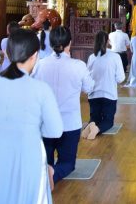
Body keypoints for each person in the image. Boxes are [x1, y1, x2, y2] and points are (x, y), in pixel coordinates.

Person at [0, 28, 63, 203]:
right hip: (27, 155)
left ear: (7, 52)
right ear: (34, 56)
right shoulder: (40, 89)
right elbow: (55, 131)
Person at [33, 26, 95, 183]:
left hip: (45, 123)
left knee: (44, 162)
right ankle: (52, 175)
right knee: (68, 164)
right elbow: (89, 88)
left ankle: (44, 177)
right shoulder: (78, 65)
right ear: (70, 43)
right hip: (69, 124)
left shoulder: (40, 64)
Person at [87, 31, 125, 139]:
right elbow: (120, 78)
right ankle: (96, 130)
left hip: (93, 95)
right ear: (108, 41)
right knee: (108, 121)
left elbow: (87, 75)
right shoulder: (115, 56)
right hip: (109, 95)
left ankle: (91, 126)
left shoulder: (92, 57)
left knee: (95, 118)